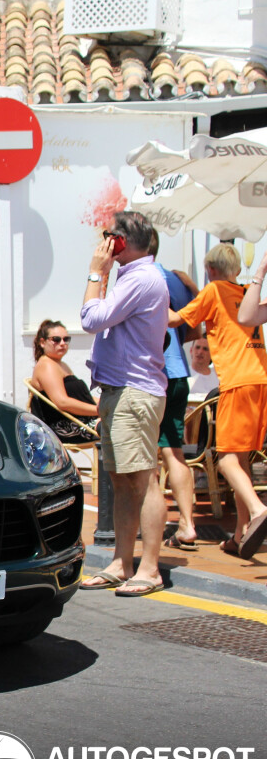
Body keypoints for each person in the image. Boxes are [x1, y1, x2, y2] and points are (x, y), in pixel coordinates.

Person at [78, 211, 170, 597]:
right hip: (122, 390)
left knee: (143, 480)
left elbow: (91, 318)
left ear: (119, 242)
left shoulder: (142, 278)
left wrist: (95, 272)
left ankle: (149, 567)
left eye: (107, 237)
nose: (103, 244)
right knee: (120, 481)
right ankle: (122, 561)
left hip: (134, 391)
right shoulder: (134, 276)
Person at [178, 243, 267, 560]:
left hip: (237, 382)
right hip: (259, 379)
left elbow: (177, 319)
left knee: (226, 460)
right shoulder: (245, 292)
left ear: (211, 270)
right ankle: (241, 533)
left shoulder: (214, 290)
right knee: (240, 460)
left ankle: (258, 510)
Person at [152, 230, 201, 551]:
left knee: (148, 457)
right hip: (179, 372)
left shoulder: (145, 276)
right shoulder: (176, 279)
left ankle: (153, 524)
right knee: (174, 452)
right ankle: (187, 523)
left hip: (154, 375)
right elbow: (193, 330)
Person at [29, 319, 99, 443]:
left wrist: (109, 404)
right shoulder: (47, 366)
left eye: (66, 339)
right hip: (65, 426)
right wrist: (100, 410)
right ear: (42, 342)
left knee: (126, 417)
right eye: (56, 339)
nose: (62, 343)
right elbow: (62, 402)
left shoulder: (61, 365)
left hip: (83, 420)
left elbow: (84, 397)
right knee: (124, 424)